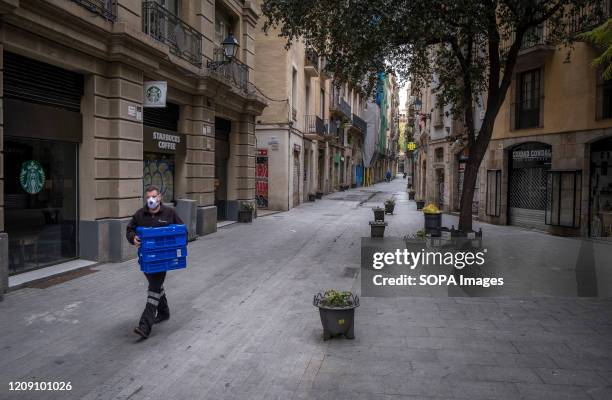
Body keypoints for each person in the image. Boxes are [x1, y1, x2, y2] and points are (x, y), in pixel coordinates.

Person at [126, 185, 184, 339]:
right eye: (148, 197)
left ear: (160, 197)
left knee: (153, 289)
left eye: (154, 196)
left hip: (163, 259)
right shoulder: (140, 214)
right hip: (146, 260)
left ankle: (145, 326)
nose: (151, 199)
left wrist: (174, 240)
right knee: (157, 286)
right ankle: (164, 312)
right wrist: (133, 238)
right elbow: (129, 229)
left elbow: (182, 230)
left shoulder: (169, 213)